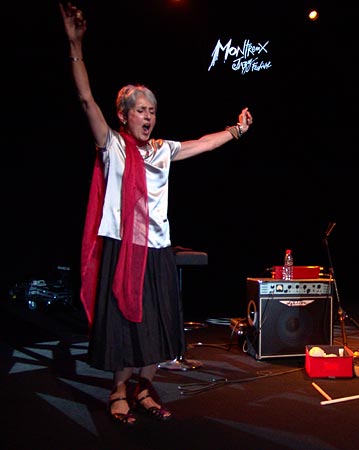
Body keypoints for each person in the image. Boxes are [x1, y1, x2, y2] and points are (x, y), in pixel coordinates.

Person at [59, 2, 253, 425]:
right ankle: (118, 391)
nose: (148, 116)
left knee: (159, 323)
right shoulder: (112, 147)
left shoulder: (163, 150)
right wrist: (75, 46)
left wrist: (236, 130)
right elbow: (85, 98)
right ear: (124, 116)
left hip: (158, 247)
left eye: (152, 111)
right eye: (140, 110)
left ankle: (145, 387)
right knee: (125, 325)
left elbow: (202, 143)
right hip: (123, 246)